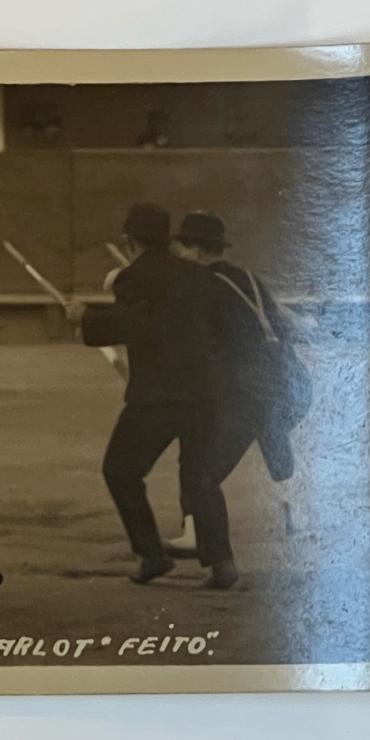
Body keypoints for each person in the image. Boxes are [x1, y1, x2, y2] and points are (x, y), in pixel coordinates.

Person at [71, 203, 238, 589]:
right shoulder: (201, 278)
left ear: (130, 241)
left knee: (120, 470)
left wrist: (85, 320)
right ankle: (222, 562)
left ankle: (151, 554)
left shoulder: (134, 278)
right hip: (206, 395)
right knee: (201, 479)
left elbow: (136, 324)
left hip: (158, 397)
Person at [164, 211, 311, 556]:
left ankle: (194, 531)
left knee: (200, 458)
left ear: (197, 251)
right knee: (273, 435)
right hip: (289, 379)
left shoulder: (201, 286)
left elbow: (198, 345)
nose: (181, 258)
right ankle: (299, 517)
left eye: (183, 250)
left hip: (246, 390)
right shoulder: (248, 277)